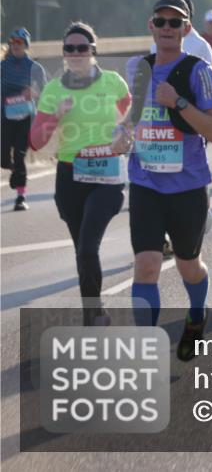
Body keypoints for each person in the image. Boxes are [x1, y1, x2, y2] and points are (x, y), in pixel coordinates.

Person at [112, 0, 212, 361]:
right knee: (145, 265)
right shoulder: (138, 68)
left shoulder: (198, 71)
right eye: (160, 22)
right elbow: (134, 117)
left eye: (174, 23)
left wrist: (178, 102)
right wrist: (123, 134)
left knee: (188, 265)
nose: (166, 29)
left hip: (188, 187)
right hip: (145, 184)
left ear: (186, 29)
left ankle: (197, 314)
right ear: (151, 26)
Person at [30, 23, 130, 325]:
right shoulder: (53, 90)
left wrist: (126, 135)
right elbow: (36, 141)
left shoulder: (113, 82)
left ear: (93, 51)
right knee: (82, 251)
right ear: (64, 53)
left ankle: (91, 317)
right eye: (69, 48)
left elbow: (134, 115)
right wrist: (56, 116)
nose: (75, 53)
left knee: (88, 245)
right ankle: (95, 308)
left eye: (81, 48)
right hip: (70, 175)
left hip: (107, 174)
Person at [1, 28, 47, 211]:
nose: (15, 46)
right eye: (12, 42)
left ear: (26, 45)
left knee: (20, 155)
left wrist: (33, 94)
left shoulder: (35, 68)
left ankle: (20, 197)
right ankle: (13, 169)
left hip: (26, 118)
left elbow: (45, 93)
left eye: (19, 43)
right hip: (4, 117)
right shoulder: (2, 67)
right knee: (3, 158)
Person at [150, 0, 212, 68]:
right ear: (151, 25)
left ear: (187, 27)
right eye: (159, 22)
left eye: (175, 22)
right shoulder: (142, 67)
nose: (166, 27)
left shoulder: (202, 47)